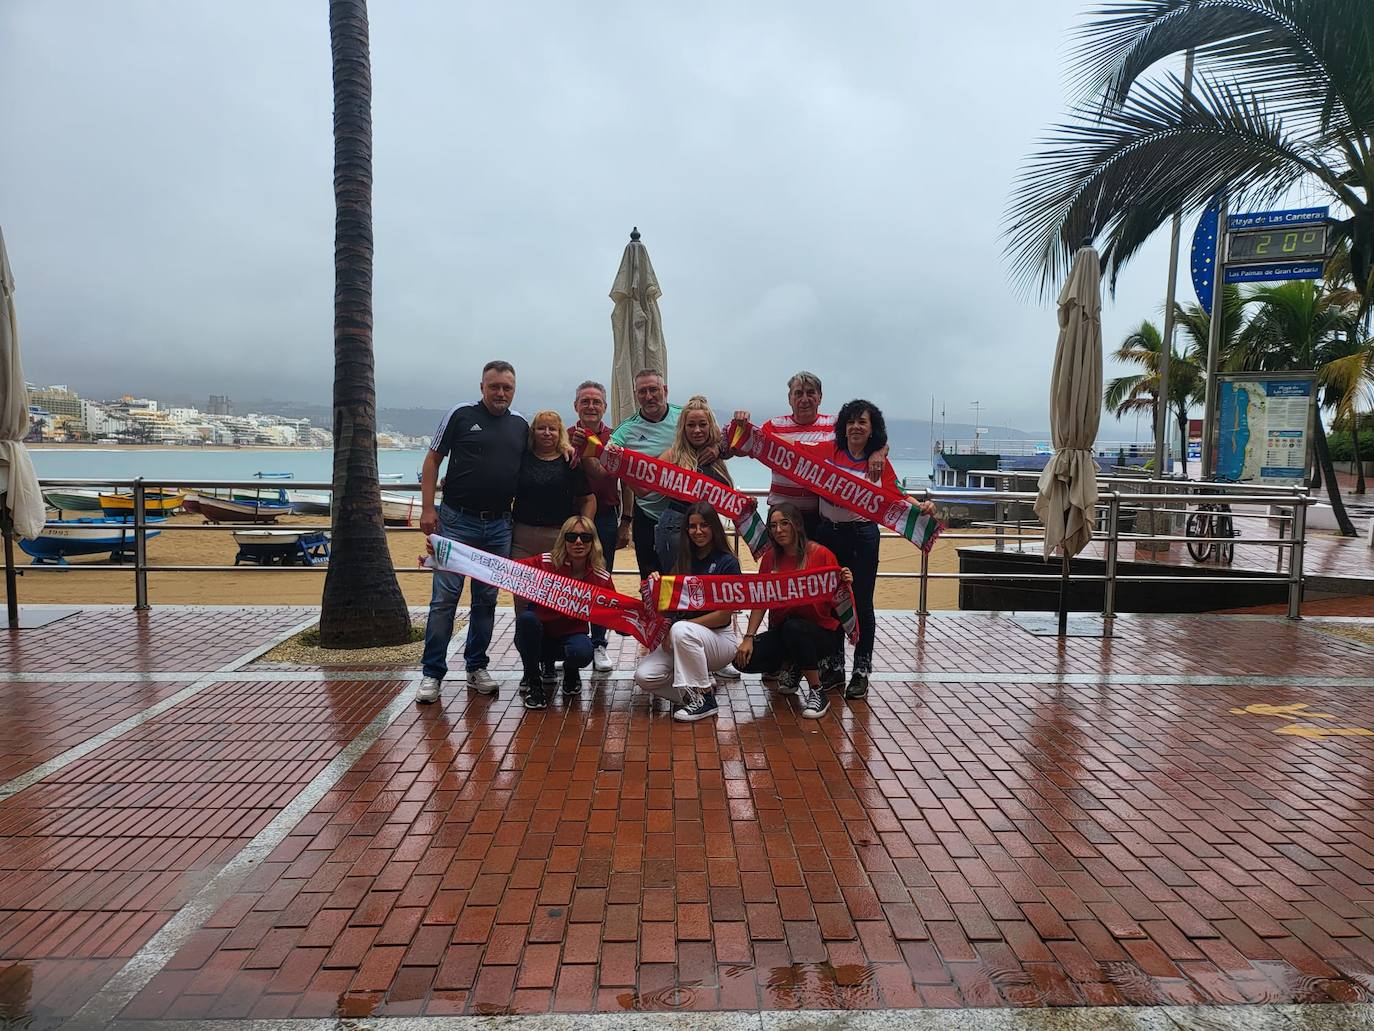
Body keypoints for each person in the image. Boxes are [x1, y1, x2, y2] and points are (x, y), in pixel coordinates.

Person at [809, 399, 935, 699]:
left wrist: (922, 507)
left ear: (871, 428)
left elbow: (897, 494)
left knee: (861, 602)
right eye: (851, 421)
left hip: (861, 537)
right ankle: (835, 667)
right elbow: (790, 456)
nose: (855, 427)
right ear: (843, 426)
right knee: (830, 598)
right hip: (828, 533)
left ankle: (861, 671)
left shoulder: (877, 462)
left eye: (862, 422)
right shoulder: (829, 451)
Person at [417, 360, 526, 704]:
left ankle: (476, 666)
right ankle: (432, 674)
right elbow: (433, 459)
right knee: (444, 600)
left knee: (486, 601)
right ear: (482, 387)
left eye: (507, 387)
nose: (500, 393)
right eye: (494, 386)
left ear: (514, 390)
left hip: (498, 526)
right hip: (455, 522)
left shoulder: (521, 424)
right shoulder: (460, 414)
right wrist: (428, 508)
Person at [730, 371, 887, 538]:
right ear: (790, 398)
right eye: (798, 393)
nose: (804, 399)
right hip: (781, 515)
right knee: (782, 563)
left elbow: (870, 439)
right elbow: (741, 449)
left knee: (817, 562)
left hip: (819, 516)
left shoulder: (836, 424)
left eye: (811, 393)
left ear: (820, 397)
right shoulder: (773, 426)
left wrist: (878, 452)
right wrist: (740, 425)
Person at [734, 502, 852, 719]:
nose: (778, 530)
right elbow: (761, 599)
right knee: (742, 660)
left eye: (784, 524)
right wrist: (748, 638)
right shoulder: (770, 558)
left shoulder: (821, 554)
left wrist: (844, 580)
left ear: (797, 525)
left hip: (820, 633)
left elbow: (839, 596)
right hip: (786, 630)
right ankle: (794, 665)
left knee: (795, 628)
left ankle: (817, 692)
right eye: (773, 526)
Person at [634, 502, 741, 721]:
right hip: (684, 637)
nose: (698, 531)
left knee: (682, 630)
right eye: (692, 526)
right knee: (645, 676)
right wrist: (656, 587)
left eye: (704, 525)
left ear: (714, 528)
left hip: (719, 640)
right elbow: (666, 607)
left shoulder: (728, 563)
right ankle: (692, 698)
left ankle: (706, 699)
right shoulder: (683, 560)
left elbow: (724, 615)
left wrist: (676, 629)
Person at [583, 369, 680, 577]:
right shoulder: (625, 430)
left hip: (684, 513)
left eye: (654, 390)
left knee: (685, 579)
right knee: (650, 580)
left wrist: (714, 449)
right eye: (642, 392)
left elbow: (714, 443)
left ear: (665, 390)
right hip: (647, 515)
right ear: (636, 395)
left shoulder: (684, 417)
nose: (648, 396)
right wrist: (587, 451)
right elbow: (602, 470)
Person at [513, 515, 614, 710]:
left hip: (572, 636)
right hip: (539, 635)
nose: (578, 542)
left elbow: (615, 611)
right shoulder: (544, 563)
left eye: (585, 537)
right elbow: (507, 570)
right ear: (563, 540)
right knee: (526, 620)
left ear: (593, 542)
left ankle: (571, 670)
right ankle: (534, 682)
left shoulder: (600, 576)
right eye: (571, 537)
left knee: (582, 652)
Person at [571, 380, 620, 673]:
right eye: (585, 401)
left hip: (605, 516)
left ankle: (599, 642)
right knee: (571, 578)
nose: (591, 406)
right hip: (569, 518)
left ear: (604, 407)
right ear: (576, 405)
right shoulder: (564, 435)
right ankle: (574, 638)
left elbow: (617, 478)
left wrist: (627, 521)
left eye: (596, 402)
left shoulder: (615, 438)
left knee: (601, 578)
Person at [653, 395, 732, 573]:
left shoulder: (717, 456)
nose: (697, 430)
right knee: (677, 586)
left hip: (708, 529)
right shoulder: (673, 456)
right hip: (675, 527)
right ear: (683, 428)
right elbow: (644, 485)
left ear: (710, 426)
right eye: (691, 425)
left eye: (702, 424)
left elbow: (741, 442)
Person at [511, 410, 595, 570]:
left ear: (560, 433)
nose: (547, 433)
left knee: (553, 591)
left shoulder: (569, 461)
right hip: (522, 537)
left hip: (558, 537)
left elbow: (588, 499)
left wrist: (584, 529)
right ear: (533, 431)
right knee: (522, 592)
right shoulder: (521, 458)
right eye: (541, 428)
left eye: (552, 429)